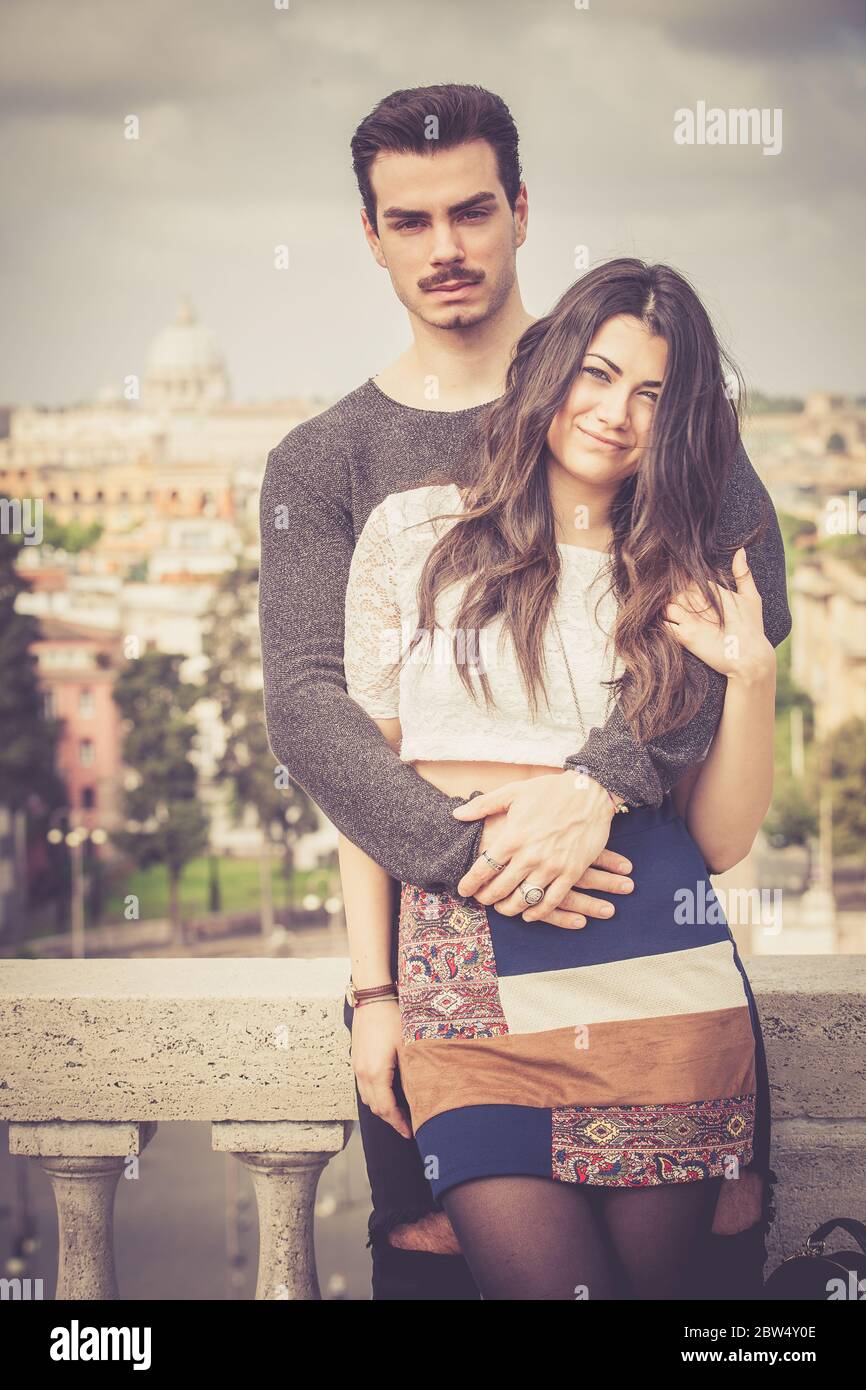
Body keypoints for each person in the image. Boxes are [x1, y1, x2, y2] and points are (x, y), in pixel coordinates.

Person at [258, 83, 789, 1300]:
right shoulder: (326, 462)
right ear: (370, 233)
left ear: (519, 211)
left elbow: (746, 613)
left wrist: (600, 780)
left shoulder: (638, 388)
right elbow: (312, 708)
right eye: (409, 220)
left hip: (649, 937)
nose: (444, 247)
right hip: (452, 953)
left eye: (471, 211)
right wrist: (445, 892)